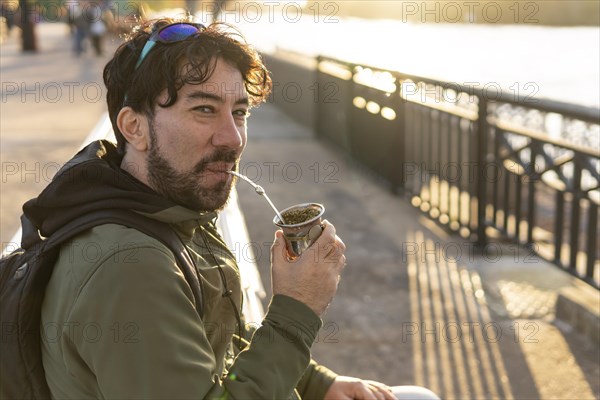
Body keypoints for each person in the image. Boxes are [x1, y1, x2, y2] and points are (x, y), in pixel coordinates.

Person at [28, 17, 439, 399]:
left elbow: (217, 342)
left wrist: (318, 384)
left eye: (239, 112)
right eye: (203, 109)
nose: (233, 138)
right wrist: (297, 309)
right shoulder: (128, 266)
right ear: (134, 127)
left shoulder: (168, 208)